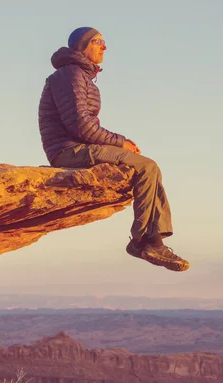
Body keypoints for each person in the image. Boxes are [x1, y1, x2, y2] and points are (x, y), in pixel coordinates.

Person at [38, 26, 189, 272]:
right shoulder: (71, 74)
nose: (104, 47)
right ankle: (147, 242)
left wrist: (120, 143)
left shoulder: (78, 75)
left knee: (146, 167)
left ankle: (151, 240)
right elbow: (80, 125)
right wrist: (120, 142)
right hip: (69, 150)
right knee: (147, 167)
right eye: (98, 41)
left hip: (76, 146)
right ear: (82, 46)